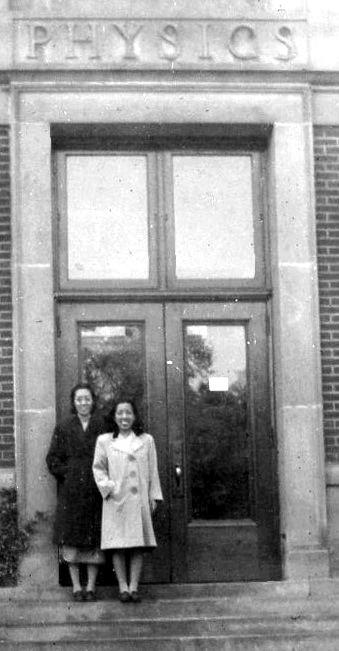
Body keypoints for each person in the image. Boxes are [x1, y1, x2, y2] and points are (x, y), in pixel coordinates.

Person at [92, 398, 163, 603]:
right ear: (114, 417)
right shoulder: (105, 441)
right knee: (119, 545)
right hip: (116, 499)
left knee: (137, 545)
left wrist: (153, 496)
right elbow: (98, 468)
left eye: (128, 413)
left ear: (134, 416)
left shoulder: (146, 440)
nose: (124, 417)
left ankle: (134, 587)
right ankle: (122, 587)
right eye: (120, 413)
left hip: (138, 499)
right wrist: (109, 488)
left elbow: (153, 470)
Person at [46, 383, 106, 602]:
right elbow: (52, 460)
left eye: (87, 399)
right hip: (71, 492)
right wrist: (70, 473)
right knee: (71, 539)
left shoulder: (102, 425)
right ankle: (76, 586)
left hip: (95, 490)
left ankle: (90, 587)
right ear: (73, 402)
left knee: (93, 540)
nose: (83, 403)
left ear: (93, 401)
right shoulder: (63, 427)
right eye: (79, 399)